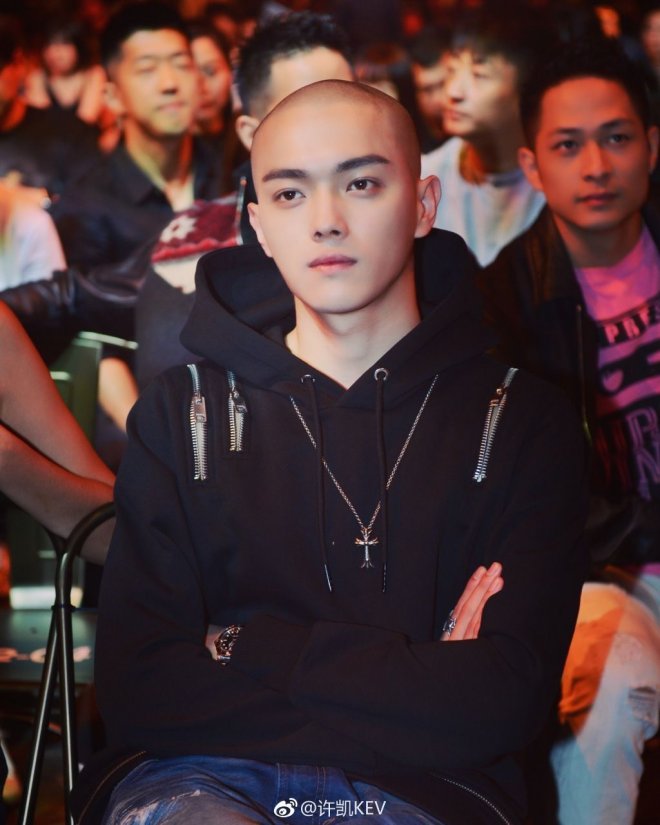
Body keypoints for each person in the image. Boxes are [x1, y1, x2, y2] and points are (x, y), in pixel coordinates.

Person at [73, 79, 589, 825]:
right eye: (290, 194)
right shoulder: (183, 412)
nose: (325, 221)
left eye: (361, 184)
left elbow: (503, 702)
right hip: (199, 778)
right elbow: (141, 690)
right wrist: (418, 687)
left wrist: (245, 645)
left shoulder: (520, 420)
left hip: (431, 792)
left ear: (423, 204)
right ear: (259, 224)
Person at [480, 41, 660, 825]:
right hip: (601, 572)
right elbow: (530, 499)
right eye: (567, 145)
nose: (596, 165)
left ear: (652, 144)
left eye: (616, 138)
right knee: (608, 691)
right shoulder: (501, 305)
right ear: (532, 164)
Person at [51, 1, 224, 275]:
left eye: (181, 64)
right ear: (113, 96)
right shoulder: (86, 207)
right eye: (147, 69)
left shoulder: (233, 175)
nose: (170, 84)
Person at [421, 6, 545, 266]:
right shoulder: (427, 178)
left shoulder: (553, 184)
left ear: (526, 89)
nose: (453, 92)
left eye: (479, 75)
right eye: (452, 70)